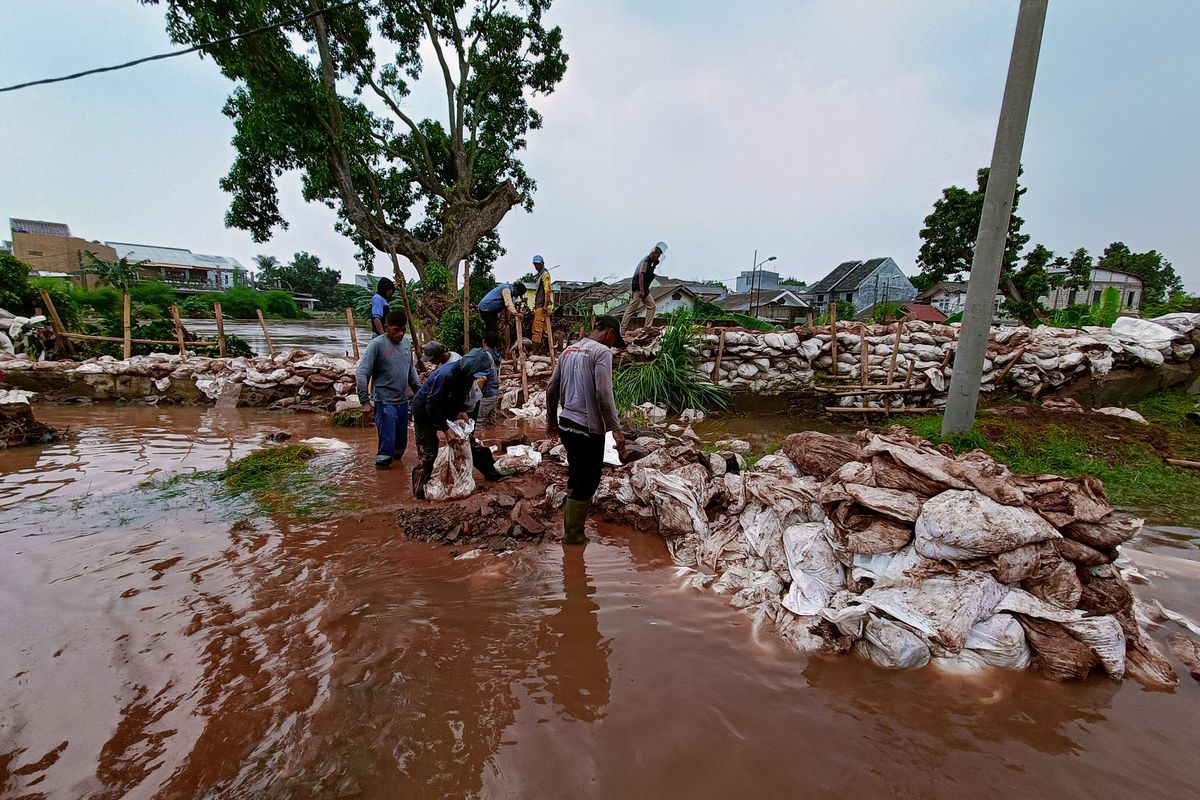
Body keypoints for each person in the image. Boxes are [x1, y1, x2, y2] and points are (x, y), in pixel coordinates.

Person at [545, 315, 627, 545]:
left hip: (567, 425)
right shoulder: (602, 352)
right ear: (609, 333)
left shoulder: (569, 350)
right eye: (614, 339)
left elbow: (551, 390)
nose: (613, 344)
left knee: (576, 474)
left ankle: (572, 532)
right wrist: (616, 429)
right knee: (587, 482)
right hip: (588, 429)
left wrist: (551, 421)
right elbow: (603, 394)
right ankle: (573, 537)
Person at [411, 347, 508, 498]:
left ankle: (491, 472)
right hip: (424, 410)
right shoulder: (446, 374)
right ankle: (420, 492)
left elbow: (460, 396)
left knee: (469, 443)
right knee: (429, 452)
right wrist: (445, 429)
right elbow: (432, 404)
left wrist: (461, 411)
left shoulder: (468, 377)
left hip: (445, 407)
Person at [355, 310, 420, 470]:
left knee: (401, 446)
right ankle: (382, 482)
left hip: (402, 402)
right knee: (387, 447)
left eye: (402, 330)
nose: (400, 334)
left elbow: (411, 372)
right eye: (395, 330)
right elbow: (362, 373)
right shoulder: (377, 345)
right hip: (385, 404)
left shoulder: (406, 344)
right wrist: (365, 402)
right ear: (385, 328)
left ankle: (397, 479)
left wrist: (421, 393)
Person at [619, 242, 667, 331]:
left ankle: (647, 327)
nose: (659, 257)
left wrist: (655, 265)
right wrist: (641, 290)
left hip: (645, 289)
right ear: (655, 253)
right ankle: (622, 328)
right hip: (639, 289)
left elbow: (649, 274)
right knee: (632, 308)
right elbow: (641, 274)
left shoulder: (651, 262)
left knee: (652, 306)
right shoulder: (646, 261)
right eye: (658, 255)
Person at [477, 331, 503, 426]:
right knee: (491, 424)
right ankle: (493, 440)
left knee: (478, 422)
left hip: (487, 394)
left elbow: (481, 377)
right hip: (495, 392)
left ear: (484, 342)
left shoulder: (486, 356)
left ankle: (480, 440)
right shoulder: (497, 356)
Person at [529, 255, 554, 351]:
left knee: (537, 328)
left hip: (542, 307)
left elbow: (547, 291)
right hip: (543, 306)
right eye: (535, 264)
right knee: (545, 330)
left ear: (543, 263)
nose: (537, 266)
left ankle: (535, 351)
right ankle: (549, 350)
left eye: (538, 264)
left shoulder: (545, 275)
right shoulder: (540, 275)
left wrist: (545, 305)